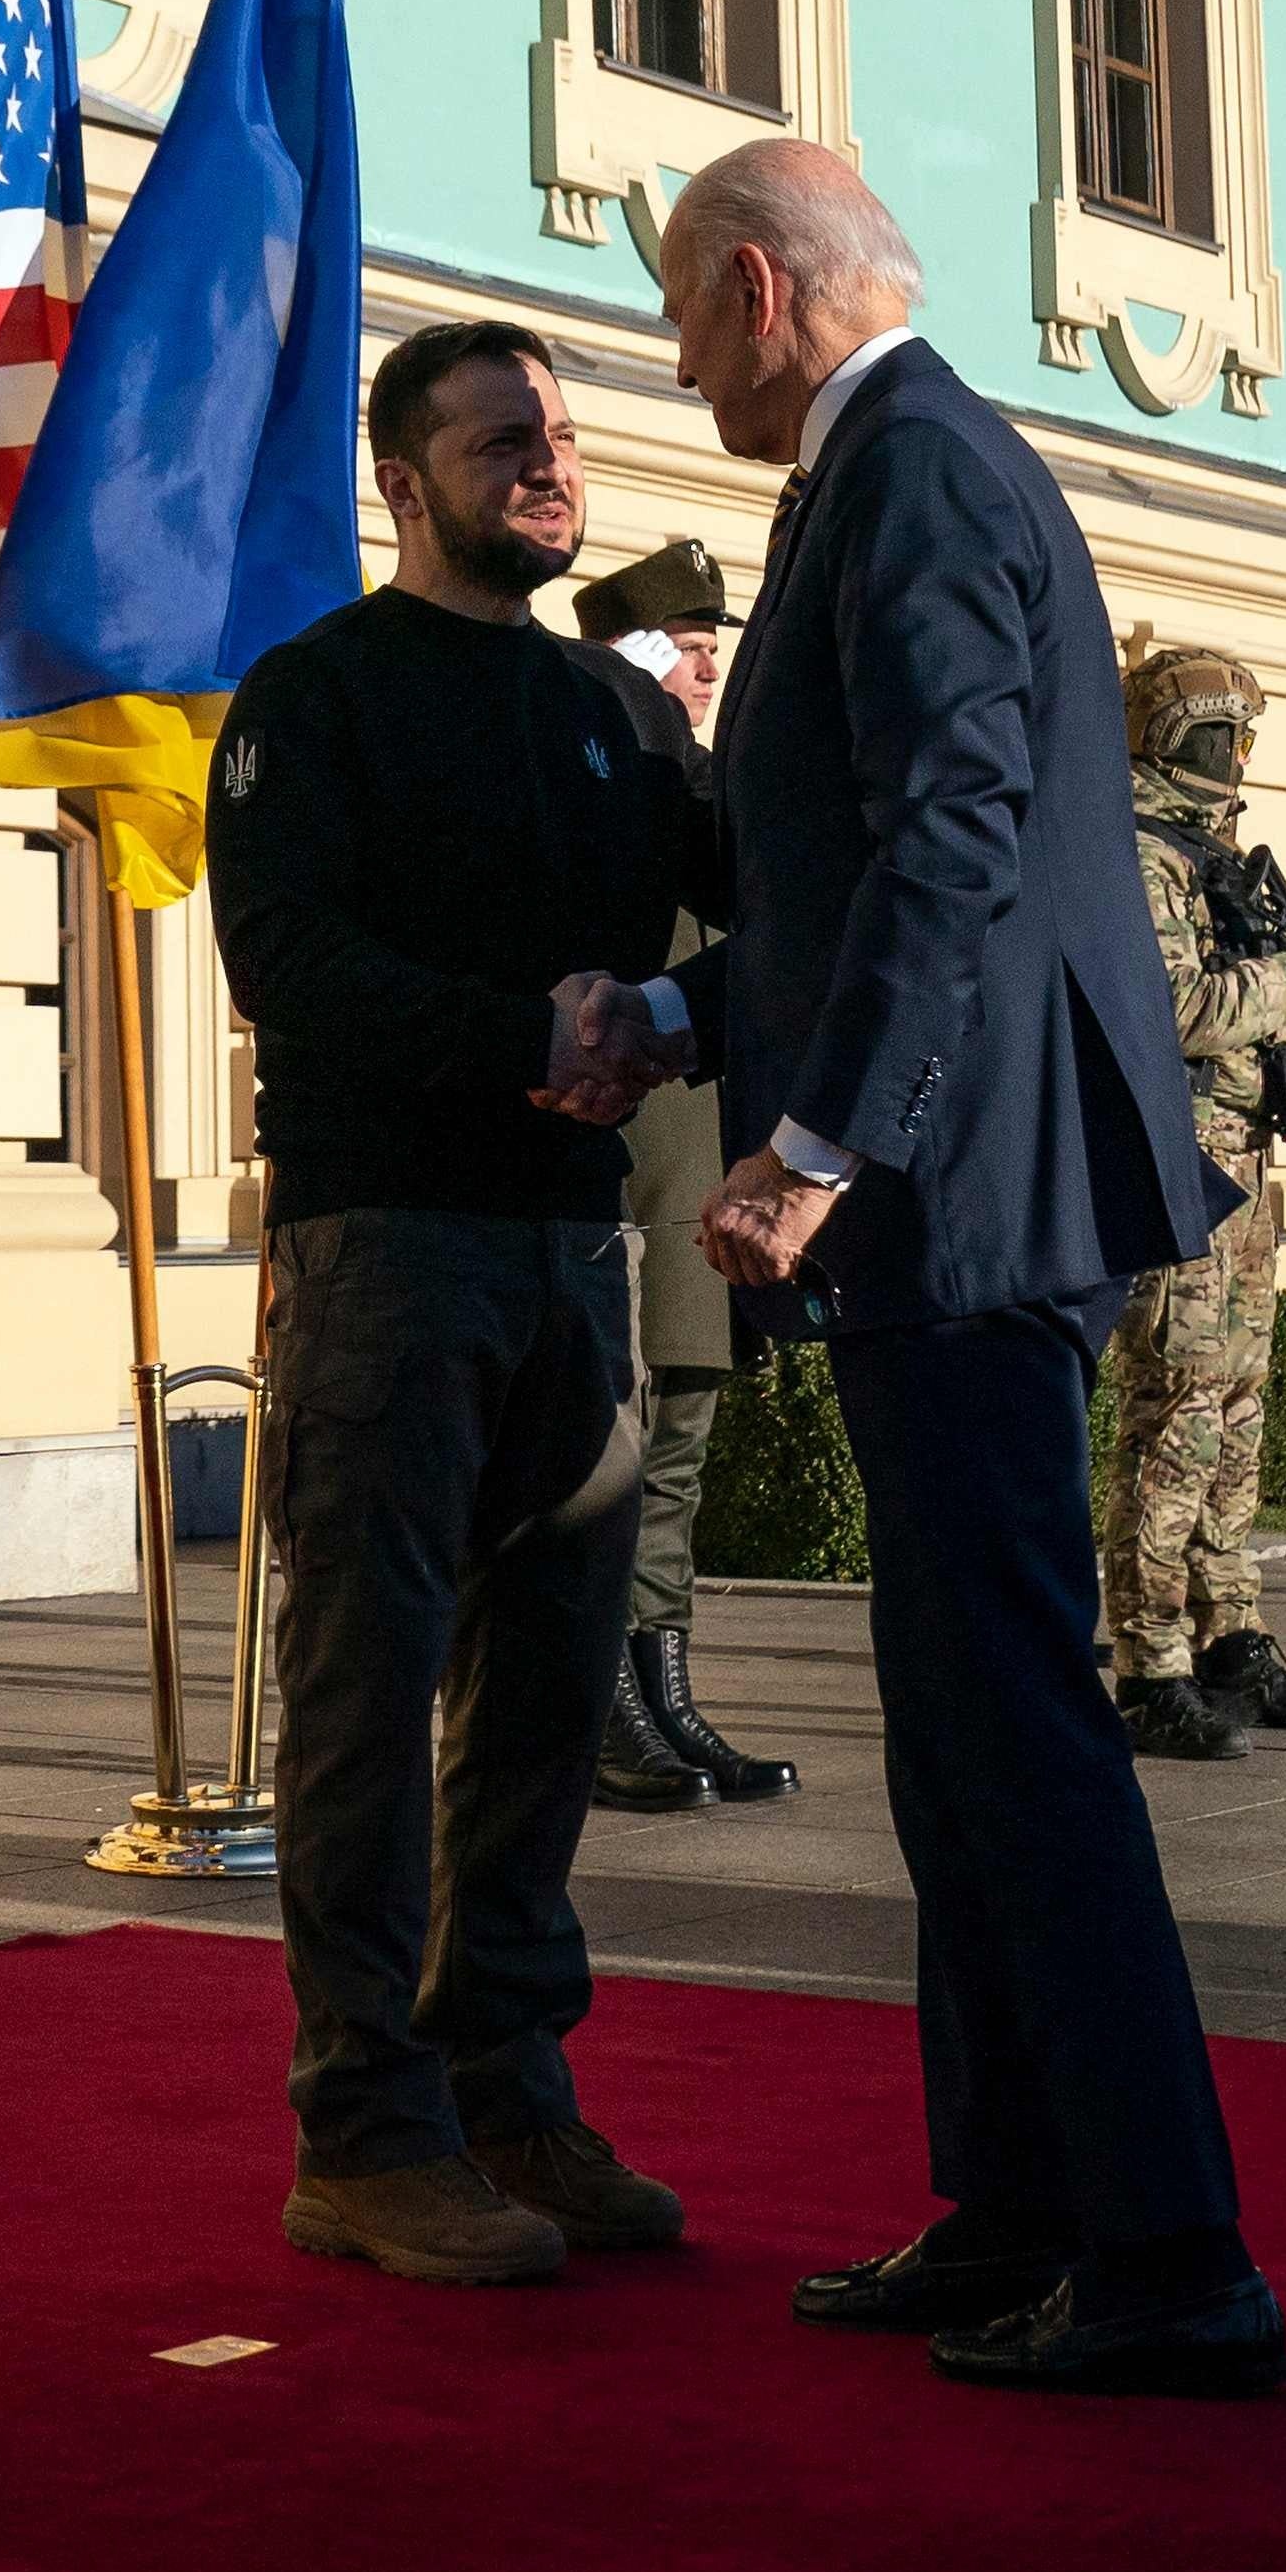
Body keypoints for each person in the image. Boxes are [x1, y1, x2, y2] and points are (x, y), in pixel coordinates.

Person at [562, 136, 1286, 2400]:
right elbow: (844, 876)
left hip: (961, 1202)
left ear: (762, 294)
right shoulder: (891, 479)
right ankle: (1015, 2213)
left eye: (686, 324)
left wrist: (810, 1147)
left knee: (1016, 1733)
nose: (682, 374)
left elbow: (957, 832)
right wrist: (685, 1023)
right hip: (949, 1183)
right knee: (958, 1732)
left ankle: (1170, 2262)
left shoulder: (911, 478)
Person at [201, 316, 723, 2289]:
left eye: (561, 436)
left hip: (574, 1254)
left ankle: (510, 2089)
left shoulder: (617, 716)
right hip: (386, 1249)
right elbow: (291, 958)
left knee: (545, 1698)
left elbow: (738, 896)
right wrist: (537, 1033)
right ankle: (369, 2131)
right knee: (362, 1693)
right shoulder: (316, 695)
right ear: (401, 481)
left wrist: (663, 1024)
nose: (546, 464)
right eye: (501, 438)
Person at [1107, 645, 1286, 1758]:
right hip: (1177, 1165)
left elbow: (1256, 996)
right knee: (1175, 1410)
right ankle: (1149, 1659)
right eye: (1211, 734)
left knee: (1239, 1406)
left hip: (1244, 1157)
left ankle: (1232, 1635)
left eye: (1239, 733)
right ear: (1165, 738)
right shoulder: (1132, 850)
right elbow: (1169, 1008)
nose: (1231, 752)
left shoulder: (1210, 852)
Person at [572, 539, 792, 1809]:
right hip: (633, 1164)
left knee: (684, 1446)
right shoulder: (607, 768)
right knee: (619, 1445)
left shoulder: (715, 779)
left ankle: (665, 1694)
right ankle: (603, 1704)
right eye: (681, 641)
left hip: (711, 1157)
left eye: (712, 642)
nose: (705, 662)